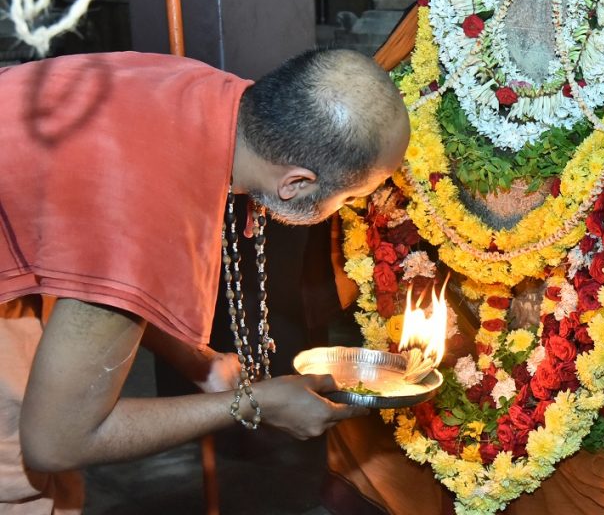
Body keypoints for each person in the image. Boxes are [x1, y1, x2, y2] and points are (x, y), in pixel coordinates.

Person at [0, 48, 409, 513]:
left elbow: (95, 273)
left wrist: (197, 362)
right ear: (294, 183)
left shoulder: (212, 97)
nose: (351, 207)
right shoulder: (147, 211)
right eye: (353, 195)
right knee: (23, 481)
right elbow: (56, 442)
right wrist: (254, 404)